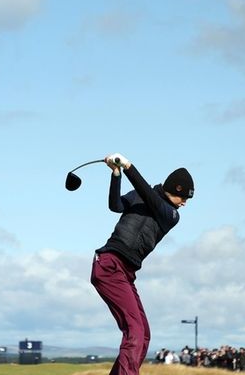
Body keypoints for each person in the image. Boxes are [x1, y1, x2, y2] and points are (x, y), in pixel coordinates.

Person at [91, 153, 194, 375]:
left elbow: (151, 199)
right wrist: (117, 174)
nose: (185, 203)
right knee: (134, 330)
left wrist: (128, 167)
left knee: (143, 333)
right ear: (175, 189)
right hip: (109, 265)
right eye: (184, 197)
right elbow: (116, 205)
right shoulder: (141, 194)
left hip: (126, 273)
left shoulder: (171, 215)